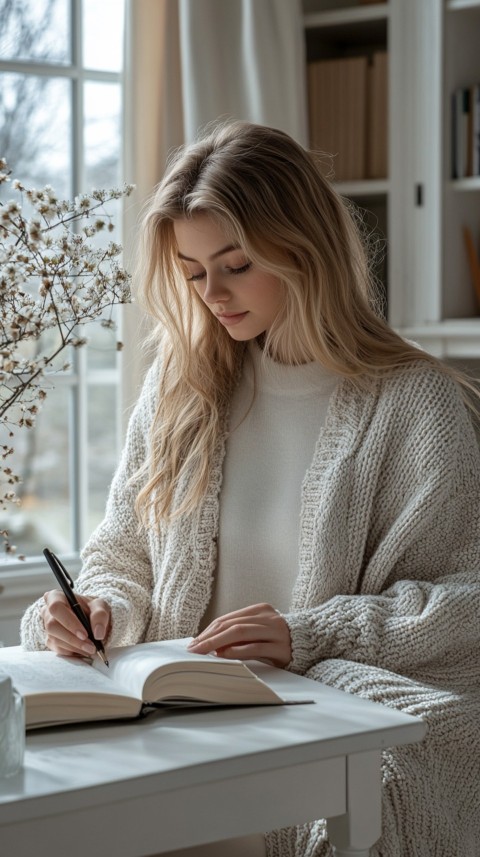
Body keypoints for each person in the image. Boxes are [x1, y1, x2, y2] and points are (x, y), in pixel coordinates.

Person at [21, 121, 480, 857]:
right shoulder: (182, 387)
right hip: (175, 735)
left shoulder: (414, 403)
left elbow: (462, 601)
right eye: (194, 271)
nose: (213, 295)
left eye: (234, 264)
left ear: (303, 248)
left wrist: (311, 633)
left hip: (303, 734)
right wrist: (100, 607)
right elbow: (121, 549)